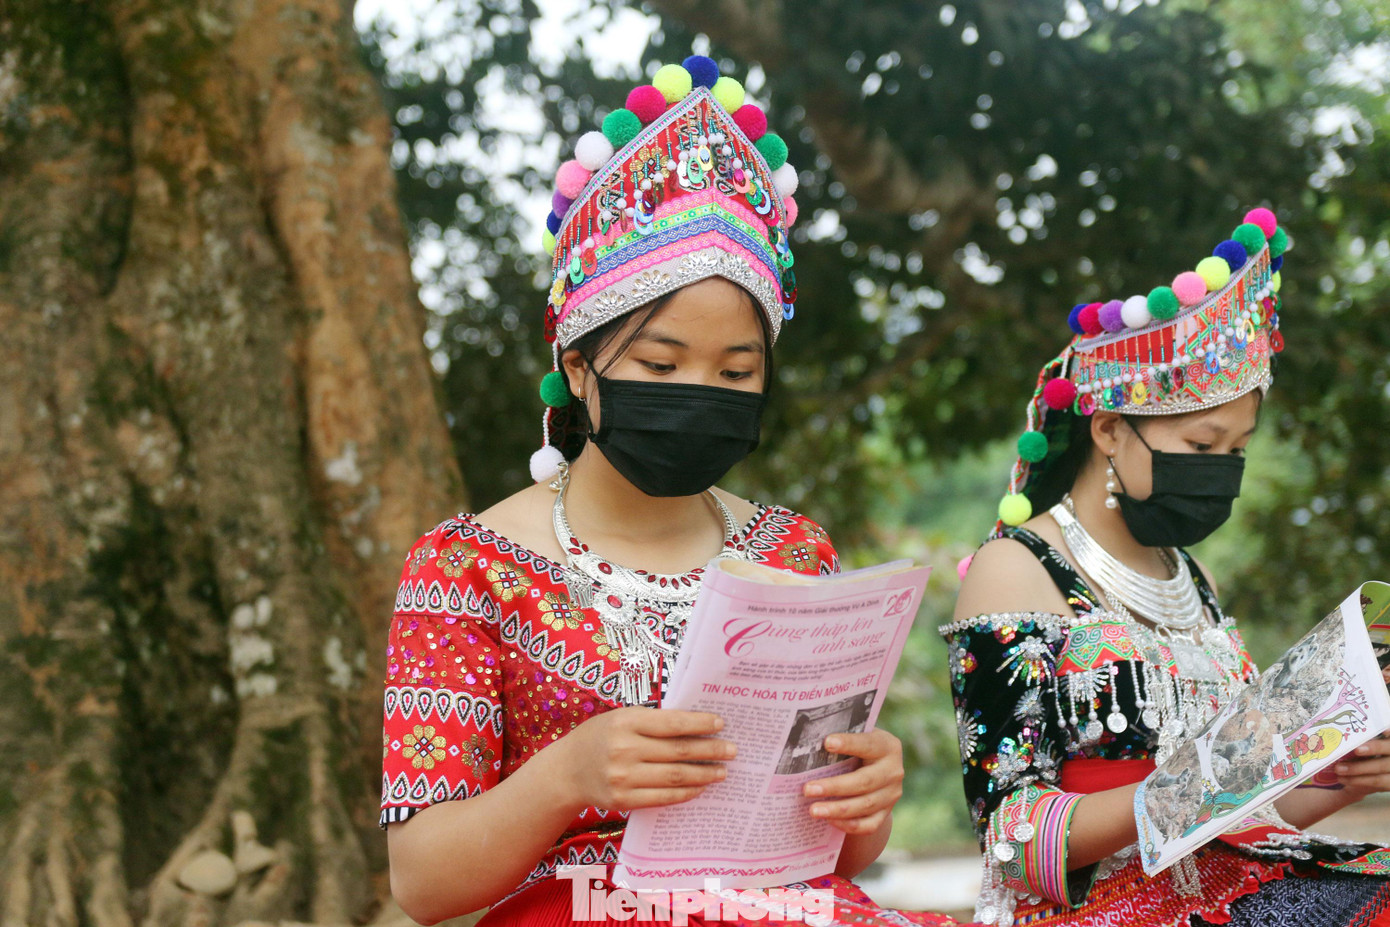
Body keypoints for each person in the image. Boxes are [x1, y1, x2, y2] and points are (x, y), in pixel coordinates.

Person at [380, 54, 958, 927]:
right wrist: (568, 775)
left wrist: (865, 794)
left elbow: (838, 852)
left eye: (736, 370)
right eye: (659, 364)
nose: (700, 393)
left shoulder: (795, 553)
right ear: (578, 365)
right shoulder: (465, 567)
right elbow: (423, 883)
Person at [945, 207, 1390, 927]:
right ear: (1112, 430)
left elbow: (1240, 809)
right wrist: (1181, 788)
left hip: (1235, 885)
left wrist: (1339, 773)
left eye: (1237, 451)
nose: (1223, 471)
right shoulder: (1015, 567)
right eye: (1204, 443)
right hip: (1101, 909)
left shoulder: (1196, 582)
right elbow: (1010, 838)